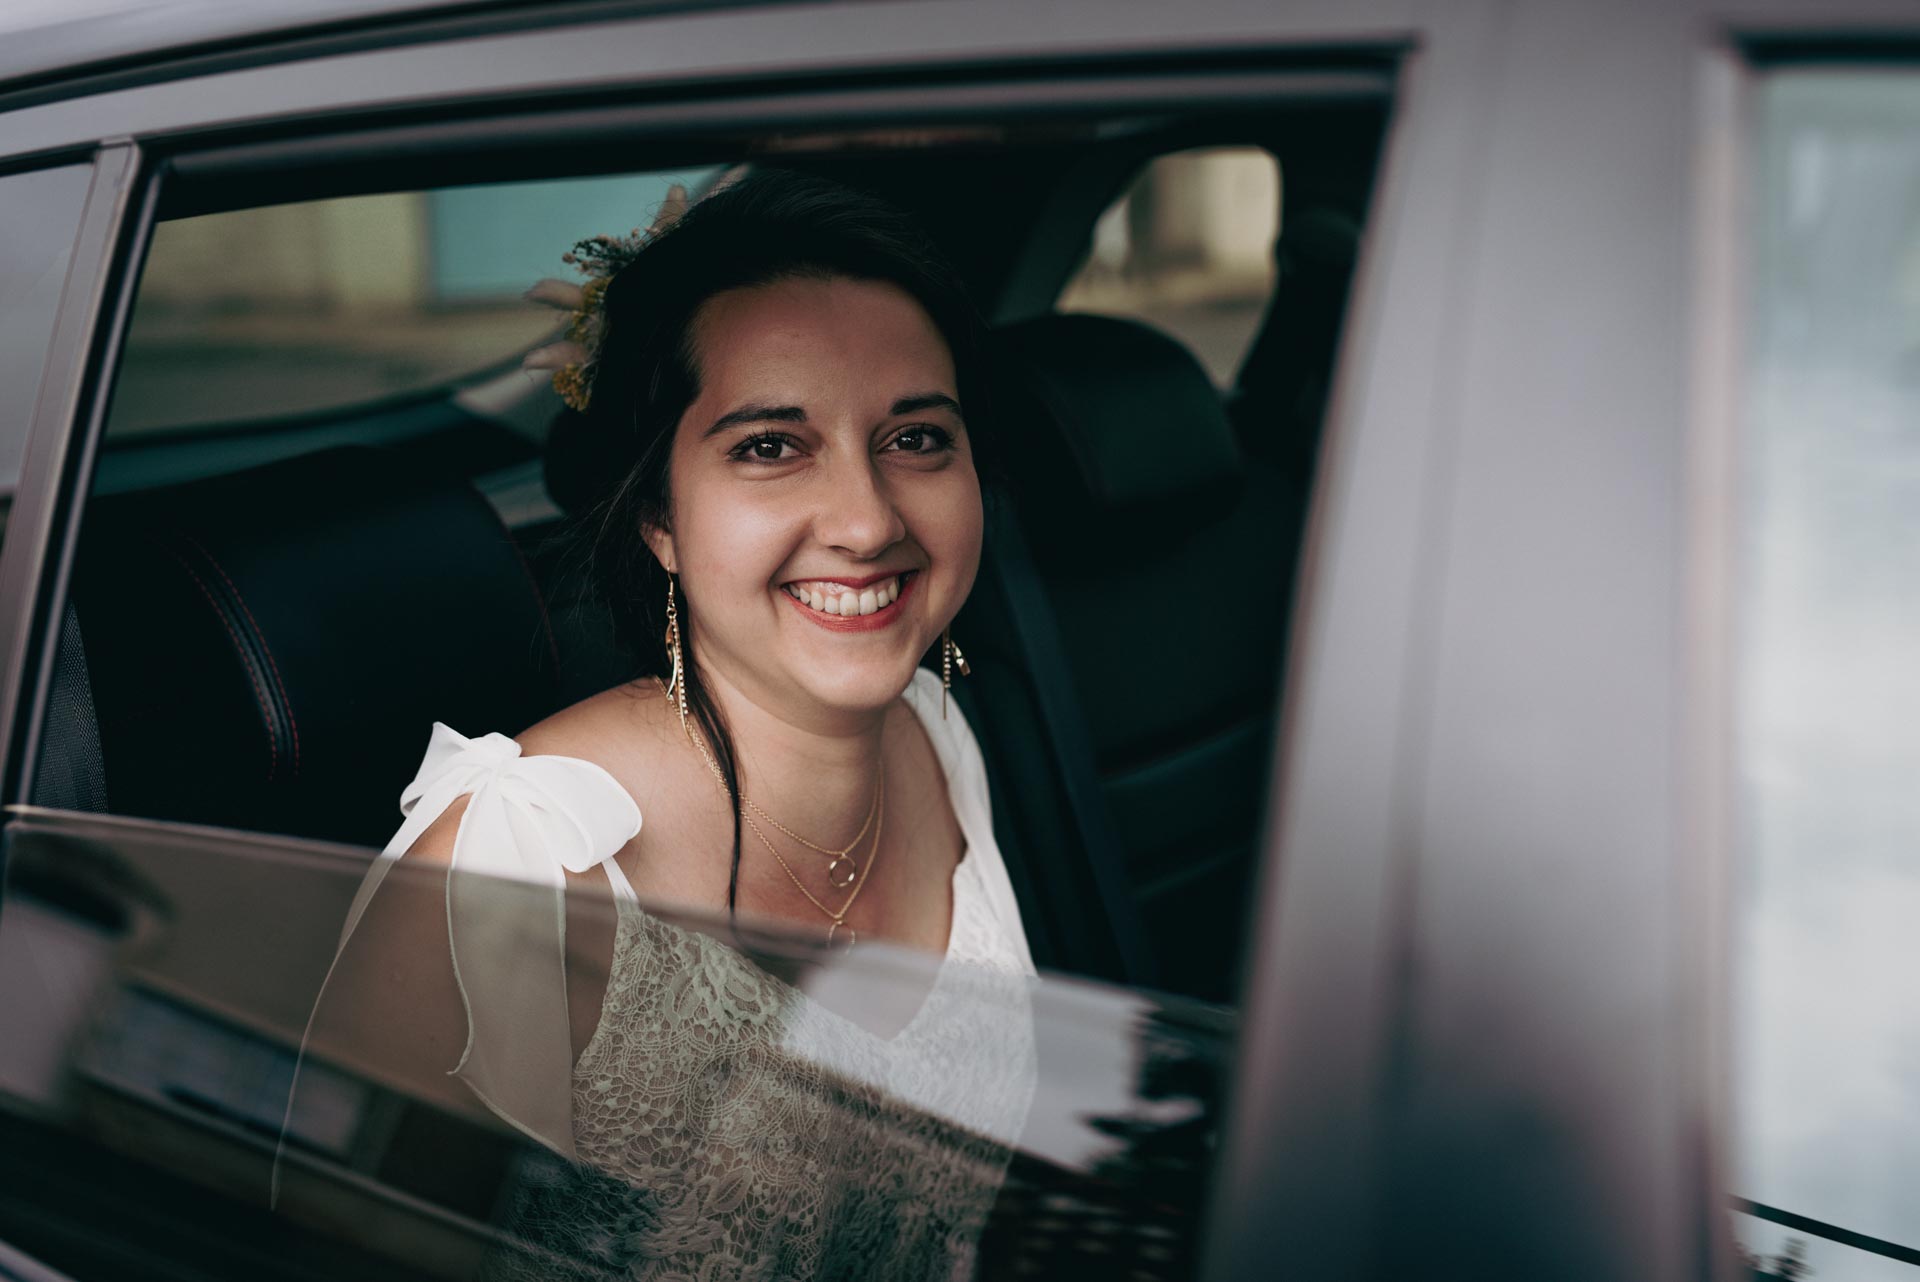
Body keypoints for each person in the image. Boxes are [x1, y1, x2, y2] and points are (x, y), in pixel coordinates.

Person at [277, 170, 1039, 1280]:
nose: (869, 520)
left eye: (917, 437)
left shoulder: (937, 731)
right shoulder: (518, 861)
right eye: (770, 446)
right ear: (658, 518)